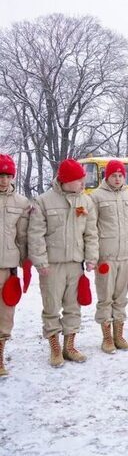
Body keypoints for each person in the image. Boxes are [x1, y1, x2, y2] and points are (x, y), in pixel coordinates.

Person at [28, 159, 98, 367]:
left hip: (75, 264)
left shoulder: (86, 202)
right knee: (51, 307)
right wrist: (40, 262)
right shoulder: (43, 201)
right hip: (52, 265)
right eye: (78, 180)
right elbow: (36, 235)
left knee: (73, 307)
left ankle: (69, 346)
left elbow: (91, 233)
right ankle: (55, 348)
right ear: (66, 181)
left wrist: (91, 257)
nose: (82, 184)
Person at [90, 159, 128, 353]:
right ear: (107, 176)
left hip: (126, 256)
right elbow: (91, 228)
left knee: (121, 298)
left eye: (121, 175)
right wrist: (94, 255)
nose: (118, 178)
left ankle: (119, 336)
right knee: (105, 298)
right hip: (106, 256)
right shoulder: (96, 197)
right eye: (114, 175)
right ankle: (106, 338)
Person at [0, 154, 30, 377]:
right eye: (1, 175)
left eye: (8, 175)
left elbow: (22, 236)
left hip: (7, 265)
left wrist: (25, 263)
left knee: (5, 313)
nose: (3, 180)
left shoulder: (21, 203)